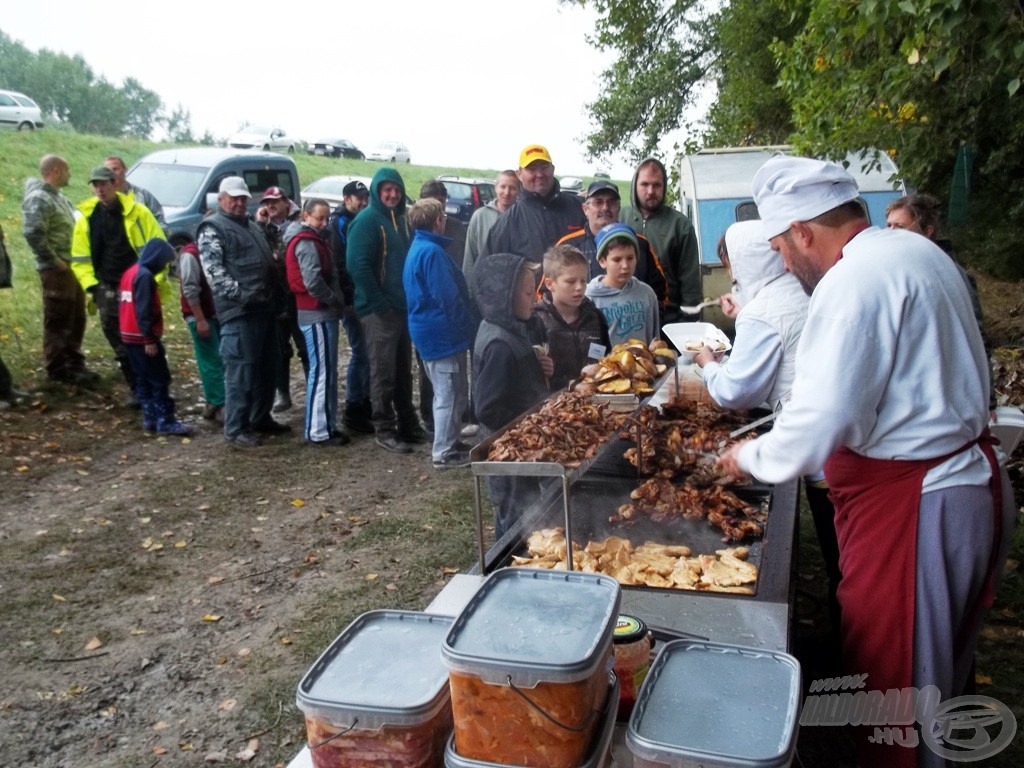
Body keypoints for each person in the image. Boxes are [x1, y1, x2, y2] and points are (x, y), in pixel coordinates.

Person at [717, 156, 1015, 768]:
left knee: (896, 691)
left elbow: (823, 421)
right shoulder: (913, 252)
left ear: (803, 232)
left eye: (780, 246)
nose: (781, 261)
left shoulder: (853, 281)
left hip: (919, 505)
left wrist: (746, 455)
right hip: (958, 486)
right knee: (935, 677)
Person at [694, 221, 841, 650]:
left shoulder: (766, 309)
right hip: (830, 438)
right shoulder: (799, 289)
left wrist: (708, 364)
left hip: (817, 449)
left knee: (840, 552)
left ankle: (846, 645)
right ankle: (845, 627)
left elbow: (738, 391)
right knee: (844, 558)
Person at [197, 176, 290, 448]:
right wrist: (243, 296)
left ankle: (260, 418)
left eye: (243, 198)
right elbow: (214, 272)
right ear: (221, 199)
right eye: (234, 198)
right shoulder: (213, 227)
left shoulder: (251, 225)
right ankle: (236, 427)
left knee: (268, 368)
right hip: (240, 313)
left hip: (264, 308)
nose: (239, 202)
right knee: (241, 372)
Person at [885, 193, 996, 413]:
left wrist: (988, 400)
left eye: (900, 227)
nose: (891, 233)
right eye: (888, 225)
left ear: (927, 231)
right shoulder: (901, 268)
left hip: (950, 397)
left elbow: (977, 337)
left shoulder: (950, 272)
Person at [70, 166, 166, 404]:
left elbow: (158, 247)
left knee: (146, 338)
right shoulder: (87, 218)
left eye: (104, 183)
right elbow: (80, 257)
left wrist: (153, 281)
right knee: (119, 342)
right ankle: (137, 389)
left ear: (115, 183)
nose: (100, 189)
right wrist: (92, 287)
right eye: (96, 185)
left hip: (137, 285)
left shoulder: (138, 212)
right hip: (107, 287)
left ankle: (157, 388)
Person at [473, 253, 553, 538]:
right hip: (506, 454)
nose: (536, 298)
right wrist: (528, 426)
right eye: (529, 292)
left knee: (528, 508)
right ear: (504, 297)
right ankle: (504, 563)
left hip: (520, 452)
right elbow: (486, 408)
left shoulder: (511, 329)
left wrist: (537, 363)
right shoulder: (499, 344)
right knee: (514, 518)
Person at [347, 167, 425, 454]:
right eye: (386, 189)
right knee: (383, 371)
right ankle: (384, 428)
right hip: (378, 310)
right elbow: (358, 266)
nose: (392, 194)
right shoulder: (366, 222)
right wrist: (379, 303)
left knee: (404, 368)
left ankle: (408, 424)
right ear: (377, 191)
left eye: (396, 189)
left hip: (402, 307)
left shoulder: (402, 219)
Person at [403, 198, 476, 469]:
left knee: (455, 390)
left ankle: (452, 440)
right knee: (447, 394)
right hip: (441, 334)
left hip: (434, 332)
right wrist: (467, 327)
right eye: (443, 216)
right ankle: (443, 453)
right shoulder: (431, 253)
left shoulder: (420, 247)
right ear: (437, 221)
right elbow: (448, 297)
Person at [21, 154, 98, 385]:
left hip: (71, 268)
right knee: (58, 319)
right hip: (56, 271)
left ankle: (74, 364)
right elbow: (33, 233)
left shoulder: (58, 197)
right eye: (67, 170)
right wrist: (55, 261)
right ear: (55, 170)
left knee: (76, 317)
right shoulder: (39, 199)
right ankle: (58, 370)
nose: (70, 174)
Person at [285, 198, 349, 447]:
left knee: (327, 370)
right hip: (316, 313)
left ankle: (327, 424)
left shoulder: (316, 240)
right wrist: (334, 300)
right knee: (321, 372)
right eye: (319, 218)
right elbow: (312, 282)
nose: (323, 223)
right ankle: (318, 430)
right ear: (306, 216)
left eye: (326, 218)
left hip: (320, 312)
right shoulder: (307, 243)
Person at [556, 180, 667, 320]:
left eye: (611, 202)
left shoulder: (640, 244)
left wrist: (648, 320)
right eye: (598, 202)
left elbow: (661, 293)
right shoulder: (568, 248)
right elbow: (548, 292)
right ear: (585, 209)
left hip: (635, 337)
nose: (605, 208)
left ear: (619, 208)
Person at [118, 238, 191, 435]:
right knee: (159, 378)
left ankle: (149, 418)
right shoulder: (144, 276)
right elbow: (143, 309)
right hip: (143, 339)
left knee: (142, 380)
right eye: (165, 262)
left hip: (128, 337)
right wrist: (149, 338)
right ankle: (165, 420)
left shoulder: (129, 272)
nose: (165, 266)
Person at [620, 157, 701, 323]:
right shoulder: (619, 219)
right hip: (625, 317)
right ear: (635, 185)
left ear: (664, 187)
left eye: (656, 185)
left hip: (667, 319)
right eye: (645, 184)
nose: (650, 191)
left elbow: (690, 281)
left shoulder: (680, 225)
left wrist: (689, 321)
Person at [484, 145, 585, 263]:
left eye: (544, 167)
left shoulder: (579, 208)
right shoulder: (508, 222)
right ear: (519, 174)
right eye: (532, 169)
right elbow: (489, 270)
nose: (539, 174)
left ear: (552, 169)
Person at [327, 180, 373, 434]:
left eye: (365, 198)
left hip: (360, 297)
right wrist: (348, 299)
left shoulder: (356, 221)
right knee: (360, 352)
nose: (363, 202)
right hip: (351, 299)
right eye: (358, 198)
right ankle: (354, 407)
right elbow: (342, 264)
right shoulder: (341, 224)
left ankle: (364, 402)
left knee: (365, 352)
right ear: (347, 199)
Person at [255, 186, 306, 413]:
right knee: (279, 349)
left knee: (306, 346)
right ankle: (282, 393)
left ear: (287, 202)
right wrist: (259, 224)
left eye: (275, 201)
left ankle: (313, 387)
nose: (270, 206)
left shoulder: (300, 222)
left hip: (298, 295)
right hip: (274, 297)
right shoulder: (262, 227)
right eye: (267, 202)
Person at [534, 244, 610, 390]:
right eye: (570, 281)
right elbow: (533, 379)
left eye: (583, 281)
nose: (579, 287)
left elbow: (608, 361)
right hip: (555, 405)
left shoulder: (595, 317)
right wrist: (572, 386)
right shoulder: (537, 321)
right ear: (550, 284)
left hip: (596, 399)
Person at [585, 223, 660, 346]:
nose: (625, 266)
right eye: (617, 260)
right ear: (602, 261)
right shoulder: (589, 298)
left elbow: (654, 339)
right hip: (607, 364)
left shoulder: (647, 293)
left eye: (630, 258)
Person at [178, 234, 225, 422]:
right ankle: (219, 402)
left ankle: (213, 401)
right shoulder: (191, 256)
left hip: (216, 313)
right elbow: (190, 289)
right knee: (211, 360)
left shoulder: (217, 251)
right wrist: (200, 320)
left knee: (222, 358)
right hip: (200, 315)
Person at [463, 170, 520, 292]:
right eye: (503, 187)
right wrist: (469, 290)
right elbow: (470, 255)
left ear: (519, 190)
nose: (507, 192)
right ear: (495, 187)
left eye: (512, 188)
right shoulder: (480, 216)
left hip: (515, 290)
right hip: (484, 289)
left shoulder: (523, 216)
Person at [104, 155, 167, 233]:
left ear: (125, 169)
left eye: (115, 169)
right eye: (108, 170)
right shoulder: (104, 199)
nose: (112, 173)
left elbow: (160, 221)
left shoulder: (142, 195)